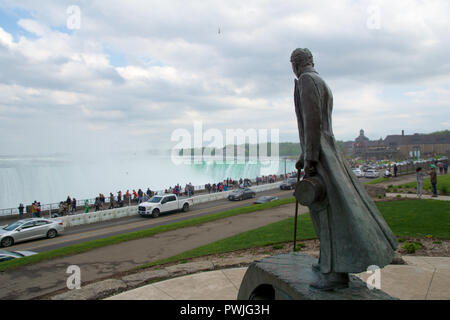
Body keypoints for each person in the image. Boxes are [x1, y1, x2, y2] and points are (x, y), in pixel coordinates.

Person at [291, 48, 397, 290]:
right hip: (328, 151)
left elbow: (313, 122)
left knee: (326, 213)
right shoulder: (321, 81)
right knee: (334, 212)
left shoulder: (306, 81)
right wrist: (303, 154)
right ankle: (329, 264)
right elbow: (319, 126)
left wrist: (309, 159)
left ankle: (332, 275)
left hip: (321, 158)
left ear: (295, 65)